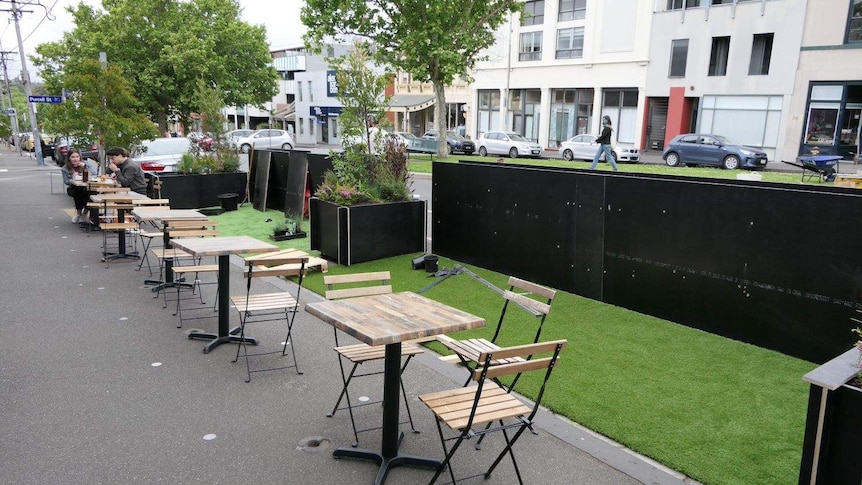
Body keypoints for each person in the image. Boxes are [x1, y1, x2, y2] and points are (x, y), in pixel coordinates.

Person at [61, 149, 99, 223]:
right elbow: (66, 181)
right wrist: (73, 179)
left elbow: (95, 174)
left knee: (92, 193)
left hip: (87, 186)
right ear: (69, 158)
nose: (75, 159)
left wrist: (85, 167)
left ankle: (85, 213)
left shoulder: (85, 163)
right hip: (75, 187)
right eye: (73, 157)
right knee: (78, 191)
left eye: (77, 157)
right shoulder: (65, 168)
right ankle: (78, 213)